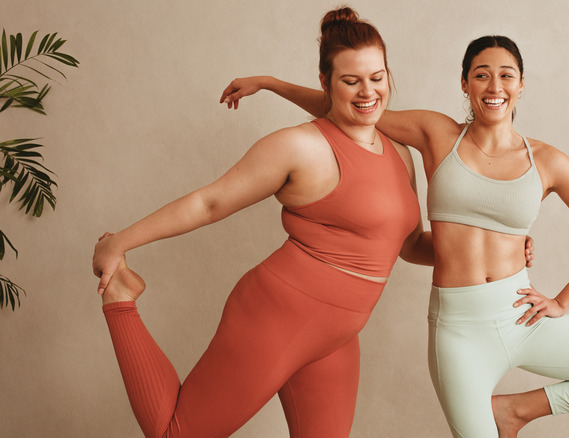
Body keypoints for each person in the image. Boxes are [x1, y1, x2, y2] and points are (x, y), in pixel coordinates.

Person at [221, 34, 569, 438]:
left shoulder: (549, 161)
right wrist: (270, 83)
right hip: (459, 331)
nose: (494, 87)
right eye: (481, 75)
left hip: (521, 316)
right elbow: (350, 108)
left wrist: (561, 302)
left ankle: (514, 411)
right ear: (464, 84)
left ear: (521, 84)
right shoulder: (438, 134)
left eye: (506, 75)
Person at [92, 8, 435, 438]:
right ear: (326, 82)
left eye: (377, 77)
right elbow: (210, 202)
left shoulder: (399, 153)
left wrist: (501, 248)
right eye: (351, 81)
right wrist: (118, 243)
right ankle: (121, 300)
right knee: (174, 434)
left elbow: (411, 245)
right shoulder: (299, 146)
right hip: (279, 315)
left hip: (339, 335)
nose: (368, 91)